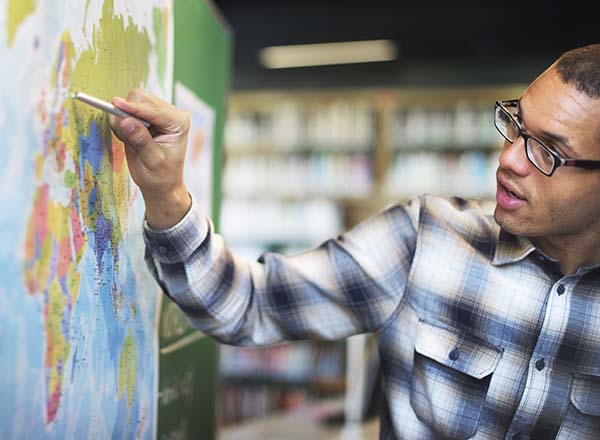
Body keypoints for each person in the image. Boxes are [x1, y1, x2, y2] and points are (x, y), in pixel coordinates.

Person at [109, 44, 600, 439]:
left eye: (549, 152)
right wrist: (167, 193)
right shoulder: (428, 238)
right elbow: (247, 303)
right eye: (516, 126)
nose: (510, 160)